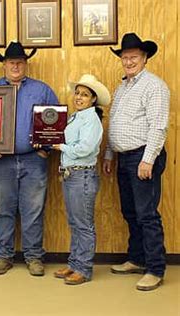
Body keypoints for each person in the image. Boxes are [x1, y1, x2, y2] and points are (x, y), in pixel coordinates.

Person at [0, 41, 58, 276]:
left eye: (20, 62)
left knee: (33, 209)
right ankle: (3, 256)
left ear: (25, 64)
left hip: (33, 160)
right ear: (4, 65)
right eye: (11, 62)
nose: (16, 66)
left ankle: (34, 256)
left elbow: (55, 121)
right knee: (2, 209)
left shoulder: (42, 89)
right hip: (1, 161)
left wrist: (46, 148)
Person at [103, 33, 170, 291]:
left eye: (133, 57)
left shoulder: (154, 86)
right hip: (124, 157)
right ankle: (137, 259)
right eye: (125, 57)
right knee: (130, 212)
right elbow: (115, 123)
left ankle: (155, 268)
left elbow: (158, 126)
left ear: (144, 58)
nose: (128, 61)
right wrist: (110, 154)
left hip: (143, 156)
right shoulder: (122, 87)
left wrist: (148, 159)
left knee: (147, 215)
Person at [51, 74, 111, 285]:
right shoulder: (77, 116)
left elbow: (86, 149)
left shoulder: (92, 119)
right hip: (71, 173)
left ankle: (83, 269)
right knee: (75, 222)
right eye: (77, 93)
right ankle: (75, 263)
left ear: (93, 99)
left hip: (82, 174)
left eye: (84, 94)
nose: (78, 97)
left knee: (83, 224)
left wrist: (61, 147)